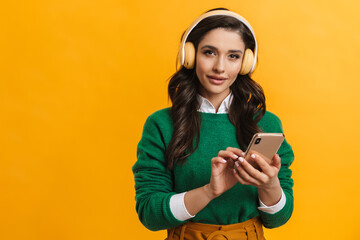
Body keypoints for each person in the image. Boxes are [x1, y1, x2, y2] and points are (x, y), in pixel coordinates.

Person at [132, 8, 294, 240]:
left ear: (246, 62)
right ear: (189, 55)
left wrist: (269, 184)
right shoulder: (161, 124)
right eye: (209, 52)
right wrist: (209, 191)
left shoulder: (267, 123)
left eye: (233, 56)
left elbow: (277, 219)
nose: (220, 67)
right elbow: (150, 214)